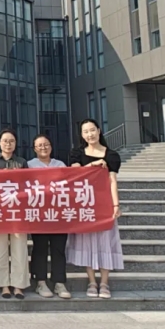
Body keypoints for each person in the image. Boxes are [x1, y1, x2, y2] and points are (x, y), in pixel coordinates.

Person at [67, 118, 123, 299]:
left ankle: (104, 282)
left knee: (105, 242)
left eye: (92, 130)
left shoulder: (111, 155)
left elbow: (112, 181)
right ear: (82, 135)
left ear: (99, 131)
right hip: (85, 203)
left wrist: (116, 205)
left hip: (104, 203)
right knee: (87, 242)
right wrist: (92, 165)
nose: (90, 134)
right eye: (86, 131)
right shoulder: (76, 153)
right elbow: (76, 173)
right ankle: (91, 281)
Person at [0, 128, 29, 299]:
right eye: (5, 141)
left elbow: (28, 186)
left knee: (20, 249)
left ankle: (18, 285)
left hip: (18, 211)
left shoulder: (22, 162)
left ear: (15, 144)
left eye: (11, 141)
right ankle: (3, 284)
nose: (8, 144)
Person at [28, 134, 71, 299]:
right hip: (38, 214)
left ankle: (59, 282)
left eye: (46, 144)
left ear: (51, 146)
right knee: (40, 248)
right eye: (39, 145)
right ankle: (40, 282)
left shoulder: (60, 165)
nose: (43, 148)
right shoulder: (29, 165)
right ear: (34, 149)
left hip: (58, 214)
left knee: (59, 248)